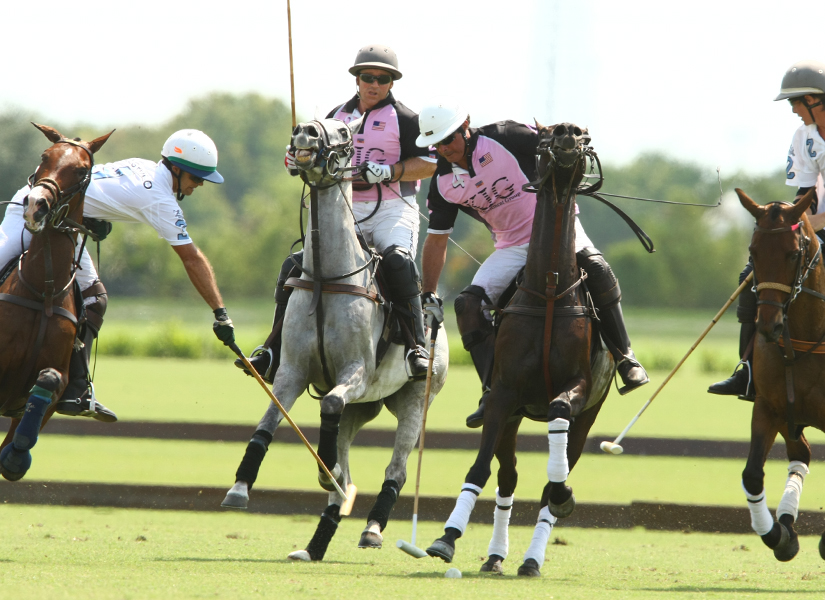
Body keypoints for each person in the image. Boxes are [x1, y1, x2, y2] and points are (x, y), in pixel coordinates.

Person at [416, 104, 649, 428]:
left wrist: (569, 137)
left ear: (466, 125)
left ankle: (625, 357)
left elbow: (552, 142)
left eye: (449, 139)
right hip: (510, 246)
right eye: (437, 144)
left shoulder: (504, 136)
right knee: (468, 305)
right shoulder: (442, 182)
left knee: (597, 268)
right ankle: (491, 390)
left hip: (557, 228)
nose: (445, 149)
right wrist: (428, 295)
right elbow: (438, 240)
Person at [0, 129, 236, 421]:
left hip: (64, 223)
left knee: (94, 298)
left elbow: (87, 189)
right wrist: (220, 312)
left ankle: (75, 387)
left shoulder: (143, 165)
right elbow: (191, 258)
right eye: (196, 178)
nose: (198, 185)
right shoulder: (160, 200)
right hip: (32, 207)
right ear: (176, 169)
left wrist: (91, 218)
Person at [237, 44, 437, 383]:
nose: (374, 84)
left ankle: (417, 347)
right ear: (357, 79)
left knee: (398, 262)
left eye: (383, 79)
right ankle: (272, 350)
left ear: (392, 83)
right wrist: (296, 160)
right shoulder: (335, 117)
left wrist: (391, 171)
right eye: (368, 77)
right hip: (346, 208)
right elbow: (311, 154)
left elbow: (430, 164)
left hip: (392, 209)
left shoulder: (405, 118)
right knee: (296, 264)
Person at [709, 60, 825, 401]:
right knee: (754, 275)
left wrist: (807, 223)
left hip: (818, 225)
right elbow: (805, 195)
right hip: (816, 228)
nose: (792, 110)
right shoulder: (803, 137)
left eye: (795, 102)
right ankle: (747, 370)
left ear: (815, 99)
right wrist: (790, 222)